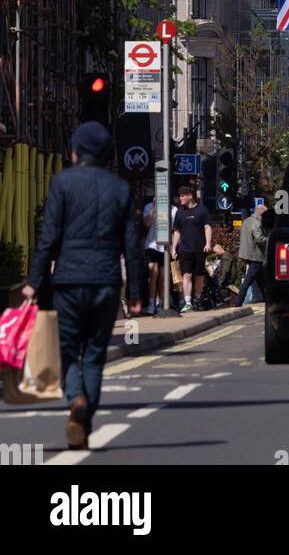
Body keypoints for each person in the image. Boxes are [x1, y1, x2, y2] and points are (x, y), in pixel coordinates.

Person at [22, 121, 141, 449]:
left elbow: (49, 237)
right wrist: (135, 295)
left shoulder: (62, 183)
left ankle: (75, 398)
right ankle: (84, 419)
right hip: (105, 282)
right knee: (95, 354)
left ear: (77, 152)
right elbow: (131, 245)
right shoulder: (120, 189)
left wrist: (34, 282)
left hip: (69, 282)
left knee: (68, 350)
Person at [171, 184, 213, 313]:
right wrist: (173, 248)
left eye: (183, 196)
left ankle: (198, 298)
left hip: (200, 248)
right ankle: (188, 302)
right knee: (186, 274)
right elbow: (177, 231)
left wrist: (208, 243)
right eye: (180, 196)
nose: (180, 198)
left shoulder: (202, 210)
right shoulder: (179, 212)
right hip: (185, 249)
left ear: (190, 196)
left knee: (199, 275)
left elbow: (208, 227)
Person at [142, 189, 177, 315]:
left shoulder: (173, 210)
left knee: (163, 278)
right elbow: (146, 223)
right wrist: (156, 208)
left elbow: (174, 230)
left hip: (166, 247)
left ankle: (160, 303)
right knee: (153, 275)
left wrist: (174, 248)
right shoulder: (149, 207)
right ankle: (151, 304)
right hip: (152, 245)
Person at [235, 203, 267, 307]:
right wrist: (271, 239)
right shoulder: (256, 223)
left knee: (262, 281)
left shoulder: (247, 221)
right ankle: (238, 303)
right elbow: (259, 238)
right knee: (248, 281)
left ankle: (269, 302)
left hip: (248, 255)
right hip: (256, 256)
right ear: (261, 213)